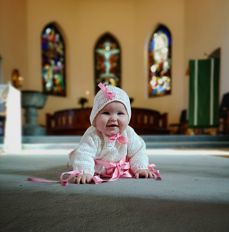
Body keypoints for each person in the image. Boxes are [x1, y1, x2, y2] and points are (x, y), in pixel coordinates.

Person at [67, 82, 161, 184]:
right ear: (95, 117)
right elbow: (84, 154)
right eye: (106, 113)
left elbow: (138, 151)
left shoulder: (128, 132)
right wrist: (85, 172)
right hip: (96, 168)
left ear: (128, 117)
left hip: (119, 167)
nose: (114, 118)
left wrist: (140, 167)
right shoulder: (93, 135)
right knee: (78, 154)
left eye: (120, 113)